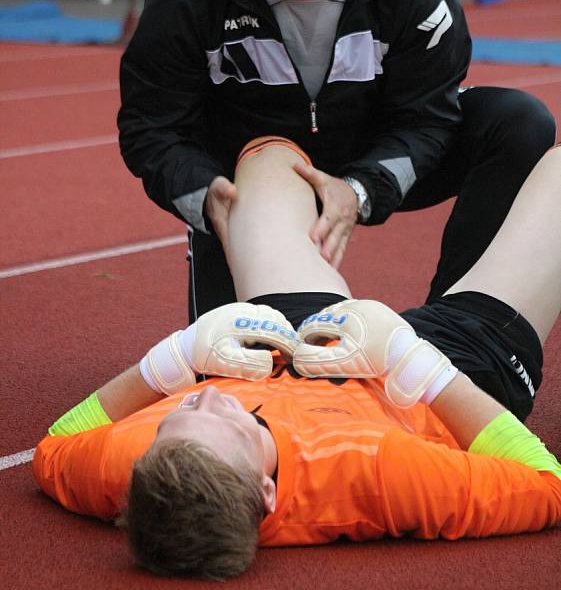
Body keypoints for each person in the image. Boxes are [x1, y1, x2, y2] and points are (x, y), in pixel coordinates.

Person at [34, 137, 561, 579]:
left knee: (267, 163)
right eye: (236, 427)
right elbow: (546, 483)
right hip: (435, 383)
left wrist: (174, 358)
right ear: (266, 492)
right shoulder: (375, 473)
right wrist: (411, 359)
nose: (207, 396)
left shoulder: (140, 471)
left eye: (181, 413)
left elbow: (55, 447)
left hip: (297, 341)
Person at [117, 0, 555, 326]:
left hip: (368, 141)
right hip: (246, 169)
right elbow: (150, 124)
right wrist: (204, 195)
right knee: (235, 374)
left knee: (518, 121)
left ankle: (451, 334)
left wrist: (361, 189)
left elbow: (428, 116)